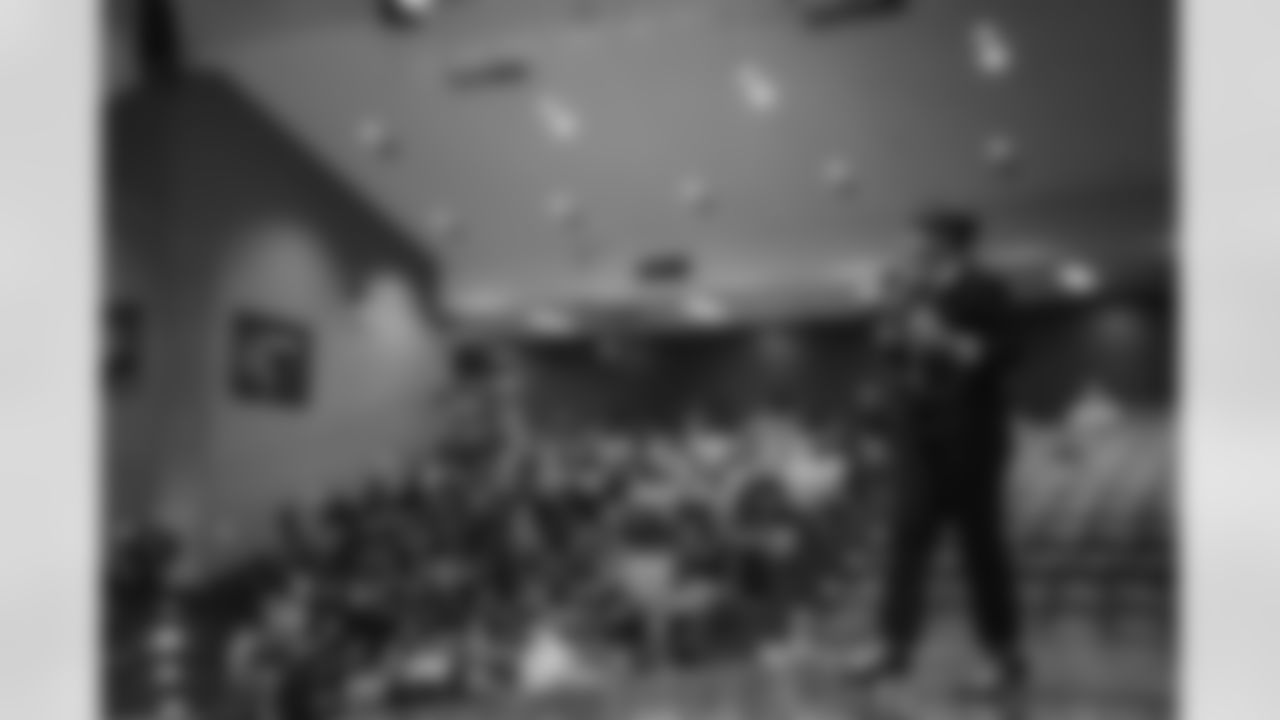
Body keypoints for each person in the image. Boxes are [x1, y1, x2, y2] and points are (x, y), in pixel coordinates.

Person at [849, 209, 1026, 694]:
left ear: (948, 243)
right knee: (905, 543)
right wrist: (890, 334)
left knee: (979, 548)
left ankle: (1003, 653)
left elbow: (1008, 354)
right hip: (915, 435)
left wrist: (947, 340)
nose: (908, 249)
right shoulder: (908, 292)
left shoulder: (988, 289)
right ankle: (893, 645)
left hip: (969, 433)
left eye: (917, 240)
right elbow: (888, 351)